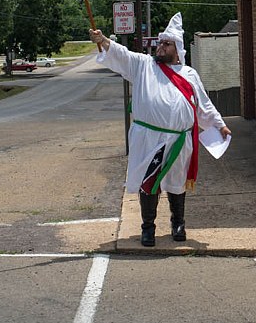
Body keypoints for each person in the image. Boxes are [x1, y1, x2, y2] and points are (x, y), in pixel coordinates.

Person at [89, 13, 231, 246]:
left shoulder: (189, 74)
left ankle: (178, 224)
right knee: (149, 182)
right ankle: (148, 228)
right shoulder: (144, 65)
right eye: (160, 43)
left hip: (179, 140)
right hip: (148, 138)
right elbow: (121, 55)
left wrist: (220, 125)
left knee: (177, 181)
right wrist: (102, 40)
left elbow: (204, 105)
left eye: (166, 44)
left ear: (178, 49)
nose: (161, 47)